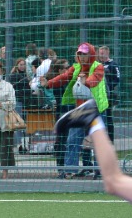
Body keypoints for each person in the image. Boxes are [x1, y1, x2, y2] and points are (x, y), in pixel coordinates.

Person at [46, 43, 108, 179]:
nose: (82, 57)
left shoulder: (98, 66)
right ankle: (70, 170)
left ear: (91, 54)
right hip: (80, 109)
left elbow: (95, 79)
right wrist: (49, 83)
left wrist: (87, 81)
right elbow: (64, 77)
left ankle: (100, 171)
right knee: (73, 139)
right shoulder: (76, 67)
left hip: (97, 108)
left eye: (85, 54)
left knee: (98, 140)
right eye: (80, 54)